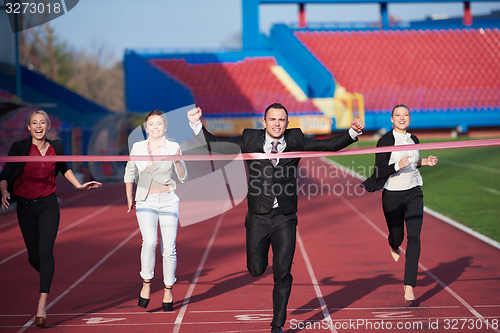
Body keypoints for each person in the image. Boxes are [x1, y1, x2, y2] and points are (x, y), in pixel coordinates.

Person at [187, 103, 364, 333]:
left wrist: (353, 133)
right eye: (272, 120)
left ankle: (277, 324)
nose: (277, 124)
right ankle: (260, 261)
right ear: (264, 122)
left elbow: (329, 145)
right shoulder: (250, 140)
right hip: (258, 217)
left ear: (287, 123)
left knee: (283, 271)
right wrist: (195, 124)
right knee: (256, 269)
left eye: (281, 120)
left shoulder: (296, 140)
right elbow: (216, 146)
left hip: (285, 217)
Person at [0, 110, 102, 328]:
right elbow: (5, 175)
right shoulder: (19, 147)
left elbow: (63, 167)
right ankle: (47, 273)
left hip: (48, 204)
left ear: (48, 126)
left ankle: (41, 304)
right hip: (25, 207)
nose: (38, 126)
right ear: (29, 127)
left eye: (42, 122)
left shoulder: (57, 146)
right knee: (34, 257)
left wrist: (79, 185)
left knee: (46, 251)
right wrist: (4, 191)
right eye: (34, 123)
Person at [361, 104, 438, 302]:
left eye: (405, 115)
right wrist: (397, 165)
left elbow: (413, 162)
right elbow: (379, 170)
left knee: (415, 238)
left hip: (413, 192)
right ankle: (393, 243)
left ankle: (409, 285)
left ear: (409, 118)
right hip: (392, 195)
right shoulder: (385, 141)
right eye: (398, 115)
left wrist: (425, 162)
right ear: (392, 120)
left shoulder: (414, 139)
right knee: (398, 237)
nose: (402, 118)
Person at [124, 110, 187, 312]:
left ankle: (168, 288)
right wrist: (129, 196)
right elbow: (129, 171)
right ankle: (146, 282)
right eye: (151, 124)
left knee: (169, 248)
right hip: (145, 200)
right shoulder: (138, 147)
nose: (155, 127)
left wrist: (177, 160)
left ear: (165, 126)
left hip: (168, 200)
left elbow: (183, 176)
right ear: (146, 127)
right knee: (150, 242)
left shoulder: (173, 147)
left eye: (159, 124)